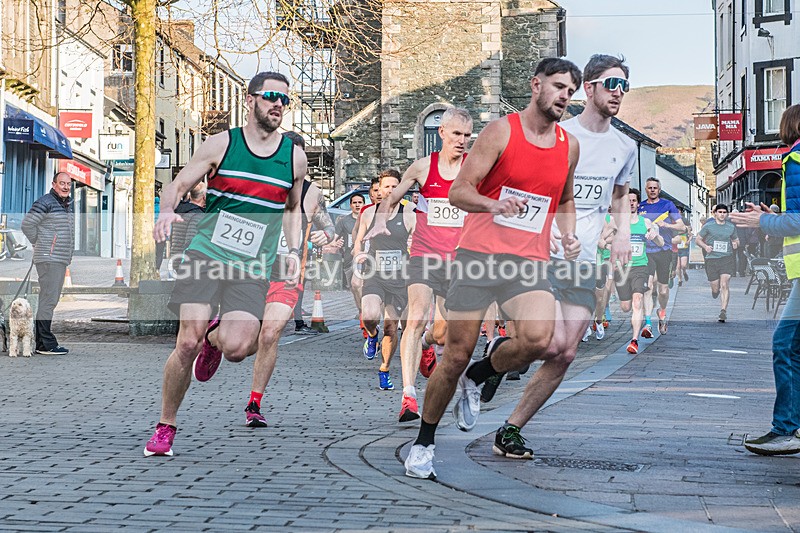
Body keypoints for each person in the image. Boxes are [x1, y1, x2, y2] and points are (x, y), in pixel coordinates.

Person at [404, 57, 582, 479]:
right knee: (454, 355)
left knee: (541, 340)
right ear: (535, 84)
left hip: (528, 261)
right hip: (478, 258)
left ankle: (480, 374)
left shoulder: (568, 145)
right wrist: (494, 203)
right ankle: (424, 444)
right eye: (558, 87)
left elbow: (565, 199)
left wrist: (568, 234)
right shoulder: (501, 131)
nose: (564, 96)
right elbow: (458, 191)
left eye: (571, 91)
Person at [481, 54, 637, 460]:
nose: (619, 93)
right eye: (611, 84)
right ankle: (497, 358)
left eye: (625, 85)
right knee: (542, 341)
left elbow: (620, 196)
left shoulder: (625, 146)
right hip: (540, 252)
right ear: (589, 88)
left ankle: (509, 427)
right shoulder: (558, 135)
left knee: (565, 352)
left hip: (584, 257)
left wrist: (621, 235)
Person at [144, 71, 306, 457]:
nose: (278, 104)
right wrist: (166, 211)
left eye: (286, 99)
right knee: (186, 342)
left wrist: (294, 252)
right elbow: (179, 185)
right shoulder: (222, 144)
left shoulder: (293, 158)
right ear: (250, 100)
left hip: (252, 265)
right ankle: (166, 425)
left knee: (238, 347)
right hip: (207, 255)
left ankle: (215, 339)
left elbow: (294, 209)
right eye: (270, 96)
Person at [365, 106, 473, 422]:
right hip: (424, 256)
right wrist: (382, 220)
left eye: (467, 135)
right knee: (414, 319)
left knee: (441, 333)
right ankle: (408, 396)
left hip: (458, 260)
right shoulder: (422, 168)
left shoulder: (474, 169)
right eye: (456, 134)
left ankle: (428, 344)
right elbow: (392, 197)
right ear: (441, 133)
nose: (462, 141)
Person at [243, 130, 334, 427]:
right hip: (253, 267)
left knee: (270, 334)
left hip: (287, 270)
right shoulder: (257, 183)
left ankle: (255, 402)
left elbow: (325, 224)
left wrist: (327, 235)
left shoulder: (312, 191)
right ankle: (215, 339)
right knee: (244, 342)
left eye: (296, 156)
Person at [730, 104, 800, 455]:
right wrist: (772, 215)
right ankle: (789, 427)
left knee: (784, 346)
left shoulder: (797, 160)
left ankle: (786, 430)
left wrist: (762, 223)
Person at [353, 172, 415, 390]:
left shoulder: (409, 214)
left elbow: (418, 244)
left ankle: (385, 368)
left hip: (399, 279)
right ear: (379, 189)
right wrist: (358, 256)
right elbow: (358, 241)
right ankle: (371, 335)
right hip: (375, 275)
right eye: (386, 187)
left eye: (394, 186)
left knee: (391, 328)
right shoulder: (369, 214)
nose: (389, 191)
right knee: (370, 316)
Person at [21, 172, 75, 355]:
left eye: (68, 183)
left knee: (49, 299)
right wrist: (38, 242)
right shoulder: (45, 202)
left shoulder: (66, 204)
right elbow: (27, 224)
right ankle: (45, 343)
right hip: (49, 258)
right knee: (48, 300)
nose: (66, 186)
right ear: (54, 184)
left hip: (58, 259)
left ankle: (41, 342)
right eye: (62, 183)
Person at [615, 189, 663, 355]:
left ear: (637, 203)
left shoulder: (645, 223)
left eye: (634, 200)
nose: (631, 203)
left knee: (637, 301)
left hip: (640, 267)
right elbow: (603, 239)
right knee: (625, 306)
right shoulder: (617, 223)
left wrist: (654, 235)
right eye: (628, 201)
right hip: (622, 268)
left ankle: (634, 340)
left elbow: (661, 241)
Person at [638, 177, 686, 336]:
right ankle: (648, 323)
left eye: (655, 188)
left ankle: (662, 312)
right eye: (649, 188)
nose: (652, 190)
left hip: (664, 251)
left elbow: (682, 227)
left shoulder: (667, 205)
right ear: (646, 189)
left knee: (663, 290)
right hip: (646, 252)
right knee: (648, 286)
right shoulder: (641, 207)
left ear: (659, 190)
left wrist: (666, 225)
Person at [696, 204, 739, 323]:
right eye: (719, 212)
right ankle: (715, 292)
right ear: (715, 213)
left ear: (727, 214)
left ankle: (723, 311)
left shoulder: (731, 227)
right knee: (716, 287)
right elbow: (698, 239)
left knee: (724, 284)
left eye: (724, 212)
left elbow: (736, 240)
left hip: (726, 258)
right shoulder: (708, 226)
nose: (722, 214)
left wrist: (736, 244)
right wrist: (705, 246)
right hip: (712, 259)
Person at [332, 193, 364, 290]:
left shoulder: (369, 220)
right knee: (353, 289)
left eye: (360, 202)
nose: (357, 205)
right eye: (354, 203)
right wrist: (335, 243)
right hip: (349, 260)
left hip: (366, 260)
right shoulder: (344, 221)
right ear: (350, 205)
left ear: (364, 204)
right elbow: (332, 239)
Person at [169, 181, 207, 257]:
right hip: (188, 261)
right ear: (204, 196)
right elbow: (191, 241)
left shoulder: (180, 211)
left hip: (176, 257)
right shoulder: (197, 215)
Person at [673, 222, 691, 286]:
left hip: (684, 249)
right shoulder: (675, 228)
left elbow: (690, 235)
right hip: (677, 249)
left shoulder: (686, 228)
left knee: (683, 265)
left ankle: (684, 272)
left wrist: (688, 241)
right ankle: (680, 280)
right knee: (678, 266)